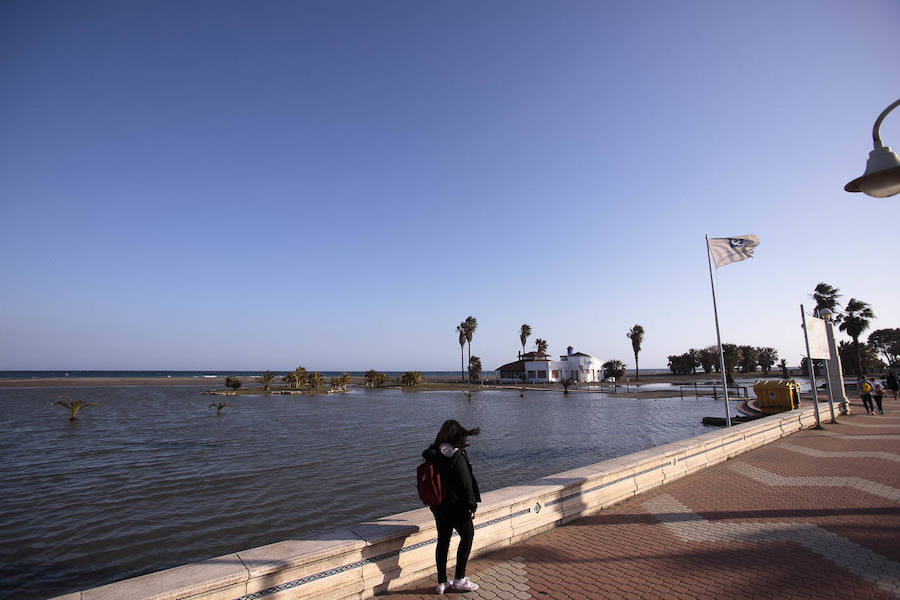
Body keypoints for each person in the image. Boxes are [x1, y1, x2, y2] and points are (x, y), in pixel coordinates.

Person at [422, 420, 482, 594]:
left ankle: (442, 582)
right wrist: (472, 507)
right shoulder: (457, 454)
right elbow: (466, 484)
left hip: (438, 505)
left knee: (443, 540)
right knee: (467, 536)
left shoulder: (434, 452)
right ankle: (460, 579)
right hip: (457, 507)